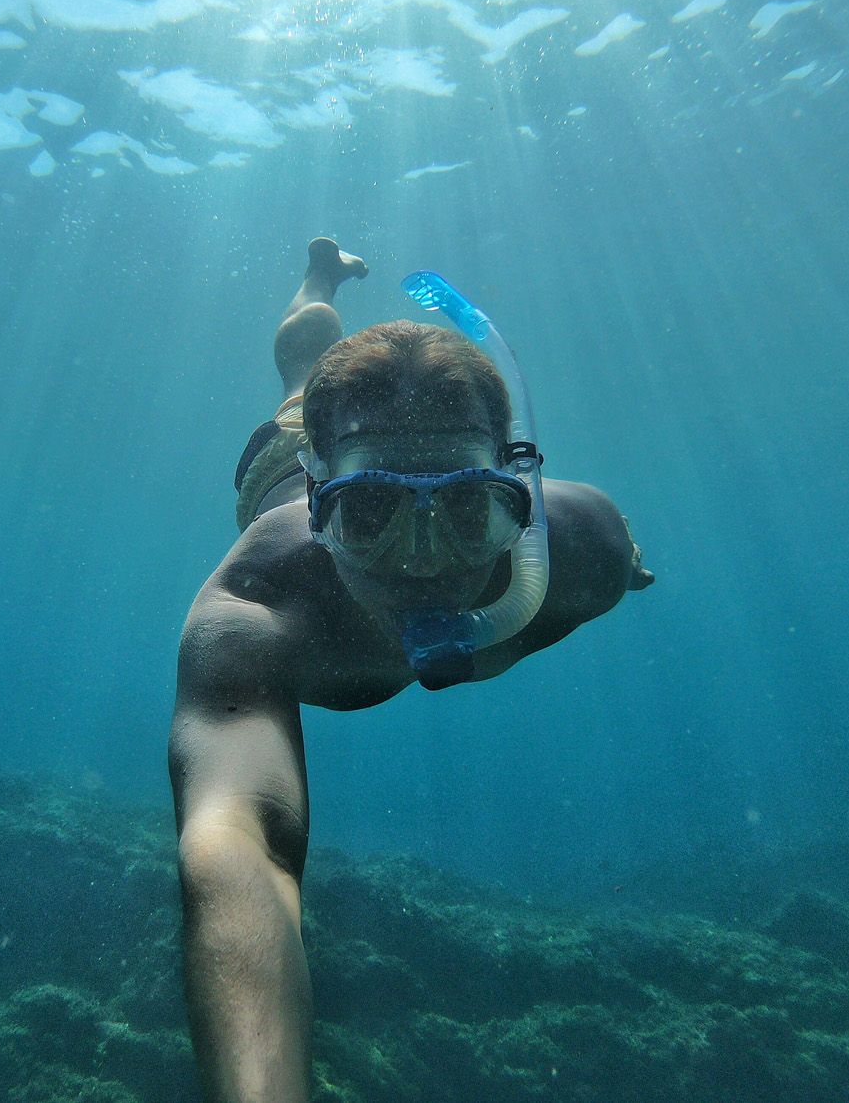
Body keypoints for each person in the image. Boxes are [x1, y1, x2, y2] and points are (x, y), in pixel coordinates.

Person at [169, 237, 653, 1103]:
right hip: (290, 449)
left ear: (515, 495)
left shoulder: (587, 551)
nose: (422, 560)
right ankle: (321, 273)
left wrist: (622, 566)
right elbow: (238, 846)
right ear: (319, 505)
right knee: (302, 367)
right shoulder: (256, 608)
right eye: (371, 512)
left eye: (467, 508)